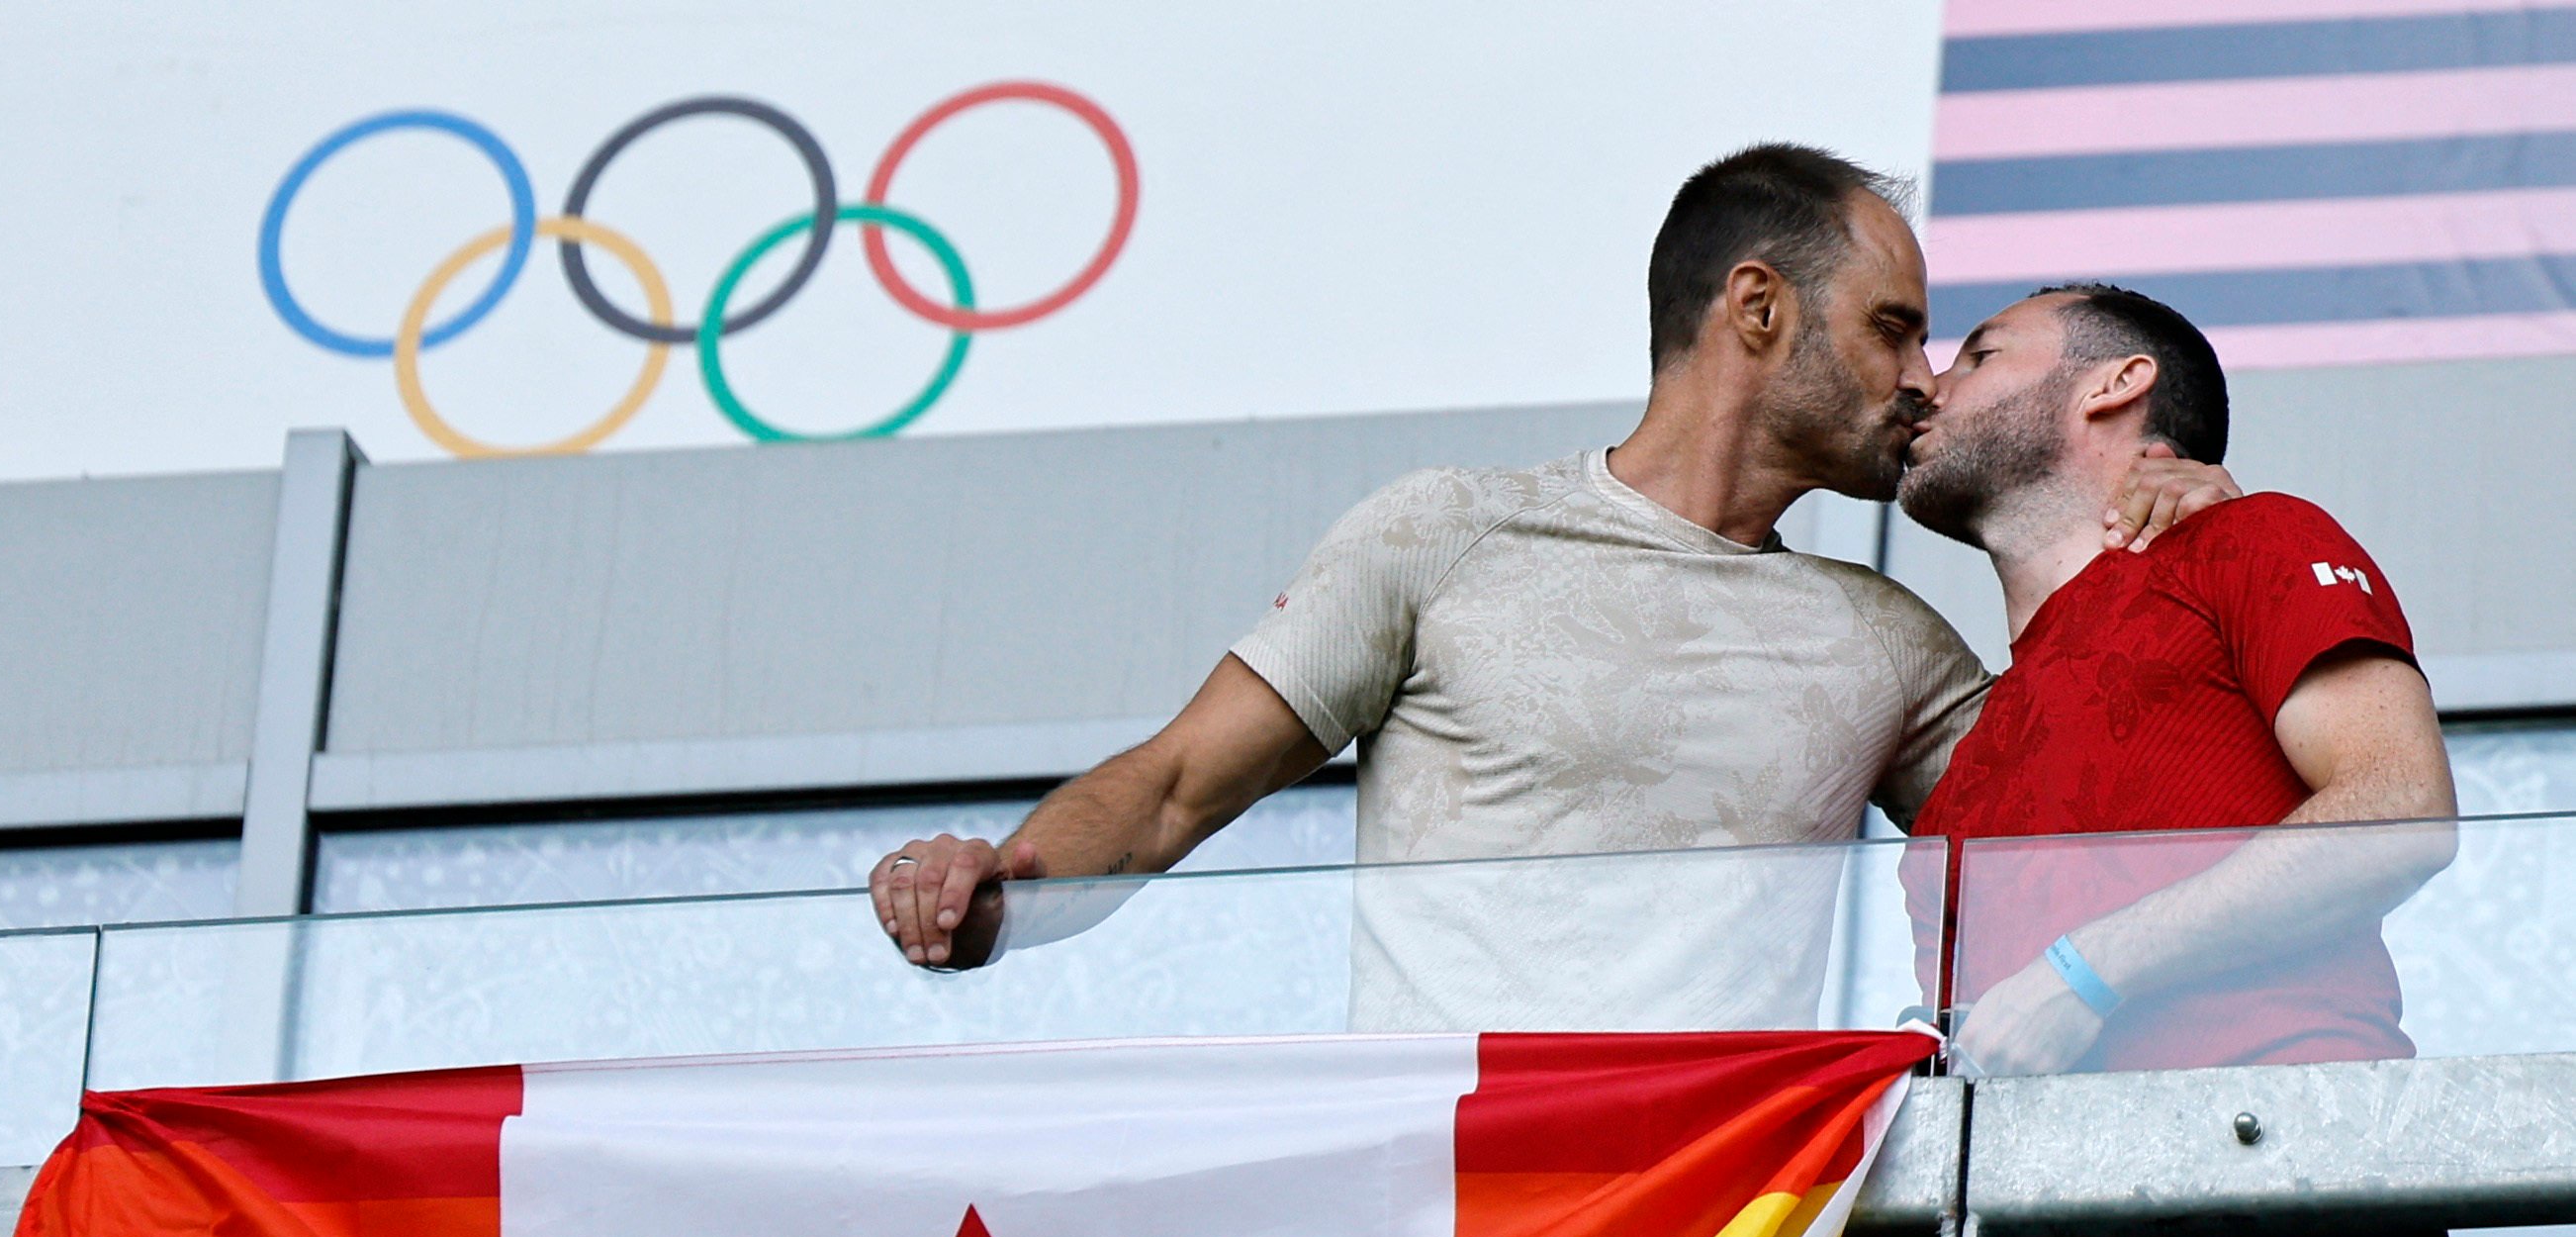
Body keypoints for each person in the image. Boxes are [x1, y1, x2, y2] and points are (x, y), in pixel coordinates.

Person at [866, 143, 2233, 1029]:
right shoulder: (1448, 531)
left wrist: (2190, 537)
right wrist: (1004, 881)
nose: (1922, 382)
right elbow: (1168, 789)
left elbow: (2099, 844)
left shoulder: (1895, 645)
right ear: (1757, 311)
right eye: (1892, 329)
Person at [1898, 284, 2456, 1075]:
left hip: (2282, 1148)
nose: (1927, 386)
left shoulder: (2250, 538)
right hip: (2052, 1187)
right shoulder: (1956, 790)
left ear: (2116, 383)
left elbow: (2402, 809)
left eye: (1979, 355)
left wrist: (2086, 974)